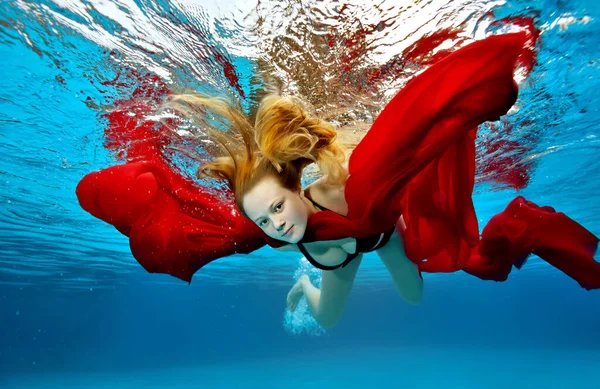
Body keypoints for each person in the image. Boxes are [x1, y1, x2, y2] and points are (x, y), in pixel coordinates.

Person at [76, 31, 600, 329]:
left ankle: (322, 274)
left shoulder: (347, 186)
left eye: (277, 209)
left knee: (417, 295)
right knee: (326, 321)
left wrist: (479, 90)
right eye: (262, 218)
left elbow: (411, 127)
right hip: (334, 259)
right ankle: (303, 283)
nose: (273, 224)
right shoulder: (269, 234)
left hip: (382, 231)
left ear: (296, 188)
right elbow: (210, 230)